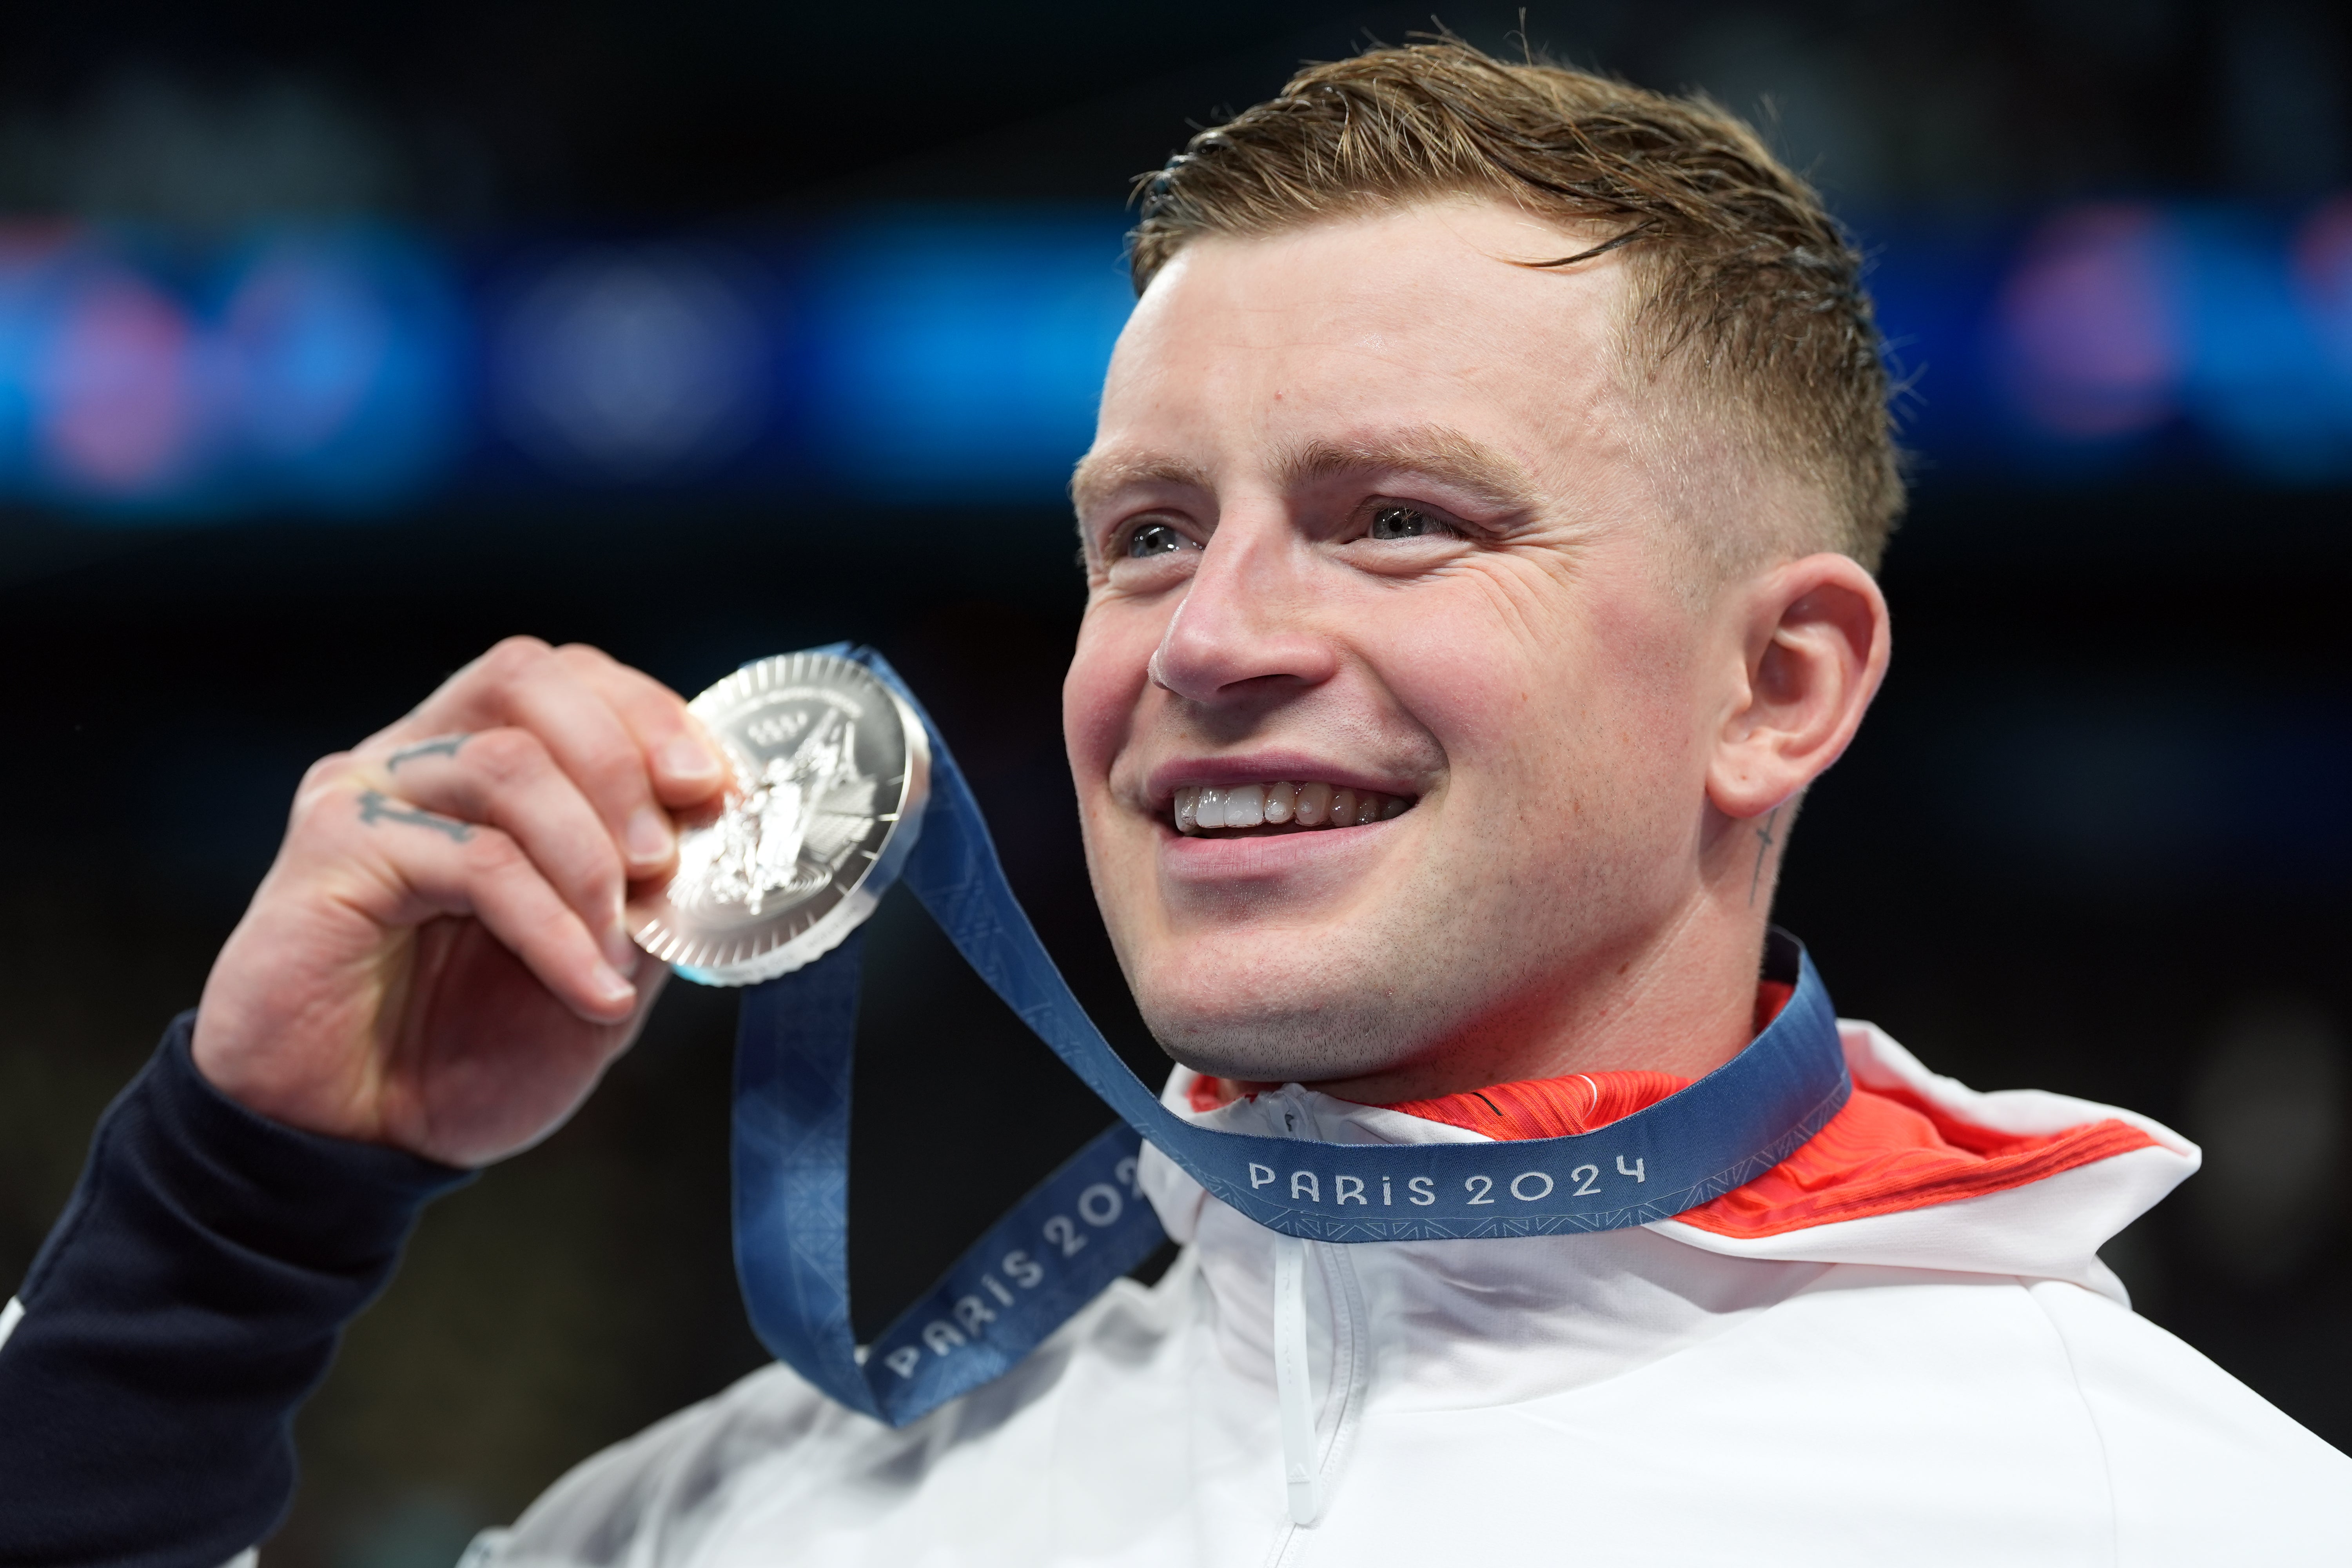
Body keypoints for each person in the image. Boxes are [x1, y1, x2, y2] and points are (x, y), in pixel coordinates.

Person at [2, 39, 2343, 1568]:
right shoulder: (742, 1522)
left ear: (1781, 683)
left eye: (1399, 517)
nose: (1203, 642)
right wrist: (225, 1221)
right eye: (1146, 533)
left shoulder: (2150, 1518)